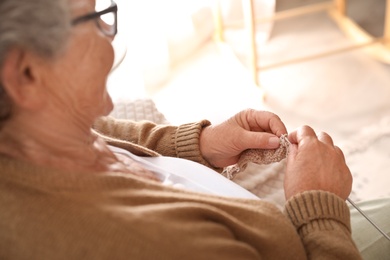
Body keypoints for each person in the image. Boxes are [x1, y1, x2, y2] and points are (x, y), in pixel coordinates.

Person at [0, 0, 383, 259]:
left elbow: (101, 134)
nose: (110, 31)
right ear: (26, 75)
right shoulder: (144, 243)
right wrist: (318, 203)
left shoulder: (28, 133)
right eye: (93, 18)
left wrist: (200, 143)